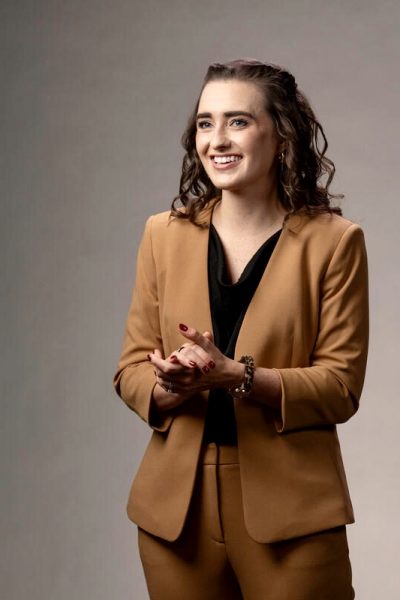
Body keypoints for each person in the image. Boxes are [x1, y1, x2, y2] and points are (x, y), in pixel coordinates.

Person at [112, 59, 368, 600]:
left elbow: (341, 387)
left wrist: (237, 376)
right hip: (175, 517)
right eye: (206, 123)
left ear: (282, 136)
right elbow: (130, 369)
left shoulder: (335, 242)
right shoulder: (162, 235)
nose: (217, 140)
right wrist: (170, 383)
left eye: (238, 121)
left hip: (294, 513)